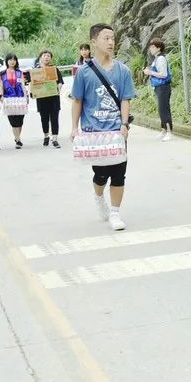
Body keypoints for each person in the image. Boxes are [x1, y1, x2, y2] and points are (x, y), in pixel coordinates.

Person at [70, 23, 136, 231]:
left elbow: (125, 99)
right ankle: (99, 196)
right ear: (94, 41)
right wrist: (74, 127)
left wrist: (124, 124)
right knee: (101, 175)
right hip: (94, 133)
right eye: (106, 38)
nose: (111, 42)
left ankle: (115, 213)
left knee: (119, 173)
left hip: (116, 131)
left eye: (113, 38)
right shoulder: (84, 72)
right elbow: (78, 101)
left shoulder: (122, 70)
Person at [31, 49, 64, 148]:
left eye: (48, 56)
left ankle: (55, 139)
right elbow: (31, 84)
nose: (46, 57)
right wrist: (32, 92)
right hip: (42, 98)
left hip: (54, 98)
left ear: (51, 58)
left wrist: (57, 88)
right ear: (40, 57)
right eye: (44, 55)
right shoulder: (36, 70)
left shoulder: (54, 69)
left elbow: (60, 82)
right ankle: (46, 136)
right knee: (44, 119)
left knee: (54, 118)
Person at [143, 39, 173, 141]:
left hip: (163, 87)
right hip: (159, 87)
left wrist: (150, 72)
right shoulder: (156, 59)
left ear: (158, 48)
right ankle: (163, 130)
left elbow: (163, 74)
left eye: (152, 47)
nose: (150, 49)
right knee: (161, 109)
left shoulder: (160, 59)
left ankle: (169, 131)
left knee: (164, 109)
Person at [2, 53, 28, 148]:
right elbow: (1, 87)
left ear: (16, 61)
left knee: (20, 120)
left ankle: (18, 137)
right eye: (10, 60)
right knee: (13, 121)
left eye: (14, 59)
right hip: (9, 100)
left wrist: (26, 97)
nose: (12, 61)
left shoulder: (19, 72)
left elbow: (23, 86)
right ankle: (17, 140)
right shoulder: (3, 74)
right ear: (7, 61)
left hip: (20, 99)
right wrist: (1, 98)